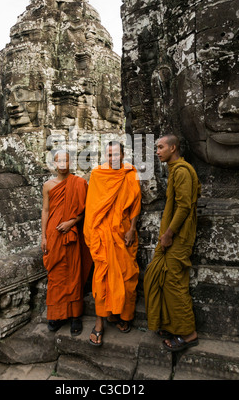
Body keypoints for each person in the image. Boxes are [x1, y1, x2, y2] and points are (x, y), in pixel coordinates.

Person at [143, 134, 201, 352]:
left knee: (174, 283)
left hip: (178, 236)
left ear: (173, 148)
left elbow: (184, 207)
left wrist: (168, 234)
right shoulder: (175, 170)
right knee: (157, 276)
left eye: (161, 147)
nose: (157, 151)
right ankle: (169, 324)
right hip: (171, 235)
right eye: (156, 147)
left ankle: (188, 334)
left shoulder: (183, 171)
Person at [84, 141, 142, 346]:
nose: (113, 158)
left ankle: (122, 316)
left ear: (123, 154)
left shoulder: (130, 173)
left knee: (127, 275)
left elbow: (135, 205)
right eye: (109, 155)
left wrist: (132, 229)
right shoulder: (98, 175)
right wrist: (92, 234)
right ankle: (99, 323)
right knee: (101, 279)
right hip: (101, 234)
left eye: (116, 154)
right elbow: (91, 208)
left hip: (122, 232)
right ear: (105, 156)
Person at [41, 150, 92, 336]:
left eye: (66, 159)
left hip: (71, 234)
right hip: (53, 235)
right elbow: (45, 211)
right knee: (55, 276)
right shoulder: (48, 185)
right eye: (59, 160)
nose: (62, 163)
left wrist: (71, 222)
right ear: (54, 163)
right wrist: (43, 236)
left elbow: (85, 210)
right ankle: (56, 315)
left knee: (73, 274)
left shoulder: (79, 183)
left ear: (71, 162)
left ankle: (75, 316)